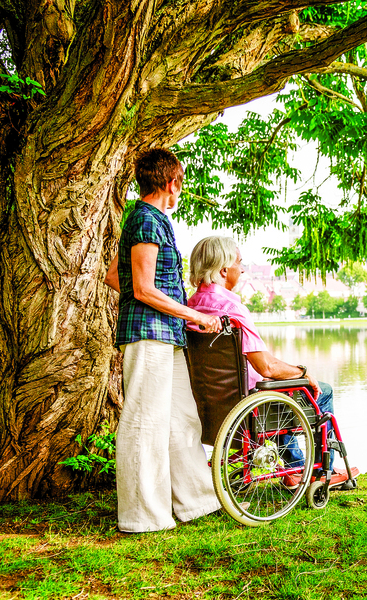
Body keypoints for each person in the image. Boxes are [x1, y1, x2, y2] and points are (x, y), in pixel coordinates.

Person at [104, 149, 224, 533]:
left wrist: (167, 310)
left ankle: (196, 502)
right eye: (180, 184)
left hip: (165, 335)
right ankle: (142, 516)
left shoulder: (149, 220)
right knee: (144, 422)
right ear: (170, 182)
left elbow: (114, 276)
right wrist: (196, 315)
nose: (180, 192)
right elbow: (141, 288)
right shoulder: (145, 219)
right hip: (148, 336)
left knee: (181, 418)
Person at [187, 236, 358, 488]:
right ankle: (323, 473)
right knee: (319, 391)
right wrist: (303, 371)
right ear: (224, 270)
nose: (243, 269)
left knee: (280, 392)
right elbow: (266, 367)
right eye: (240, 263)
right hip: (250, 409)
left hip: (211, 407)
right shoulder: (232, 309)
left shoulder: (191, 306)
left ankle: (293, 468)